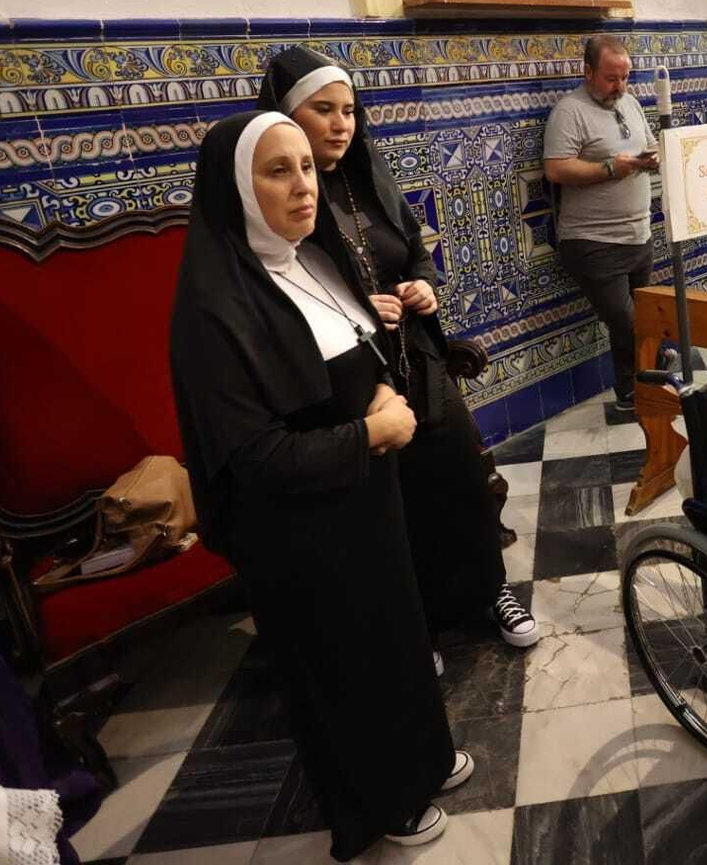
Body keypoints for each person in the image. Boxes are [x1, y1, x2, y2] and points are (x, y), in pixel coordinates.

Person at [169, 112, 472, 856]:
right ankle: (381, 802)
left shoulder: (309, 259)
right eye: (278, 170)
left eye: (306, 167)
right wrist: (369, 431)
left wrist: (374, 396)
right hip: (301, 532)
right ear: (237, 187)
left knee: (396, 633)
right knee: (344, 664)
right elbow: (258, 457)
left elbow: (342, 357)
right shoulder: (215, 310)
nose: (303, 186)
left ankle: (424, 759)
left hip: (362, 498)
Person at [257, 47, 538, 653]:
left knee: (461, 478)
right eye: (323, 110)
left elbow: (412, 248)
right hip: (352, 386)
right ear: (284, 118)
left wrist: (423, 287)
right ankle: (417, 624)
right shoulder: (280, 204)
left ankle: (490, 587)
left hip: (419, 361)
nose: (340, 125)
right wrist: (361, 308)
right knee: (396, 506)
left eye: (349, 111)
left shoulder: (367, 178)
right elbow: (288, 295)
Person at [543, 35, 658, 411]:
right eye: (611, 79)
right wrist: (611, 168)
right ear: (588, 71)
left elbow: (649, 143)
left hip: (637, 234)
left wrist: (652, 157)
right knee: (626, 322)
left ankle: (634, 387)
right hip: (593, 240)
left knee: (641, 316)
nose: (620, 87)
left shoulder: (631, 103)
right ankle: (641, 383)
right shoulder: (569, 111)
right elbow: (557, 169)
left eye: (625, 77)